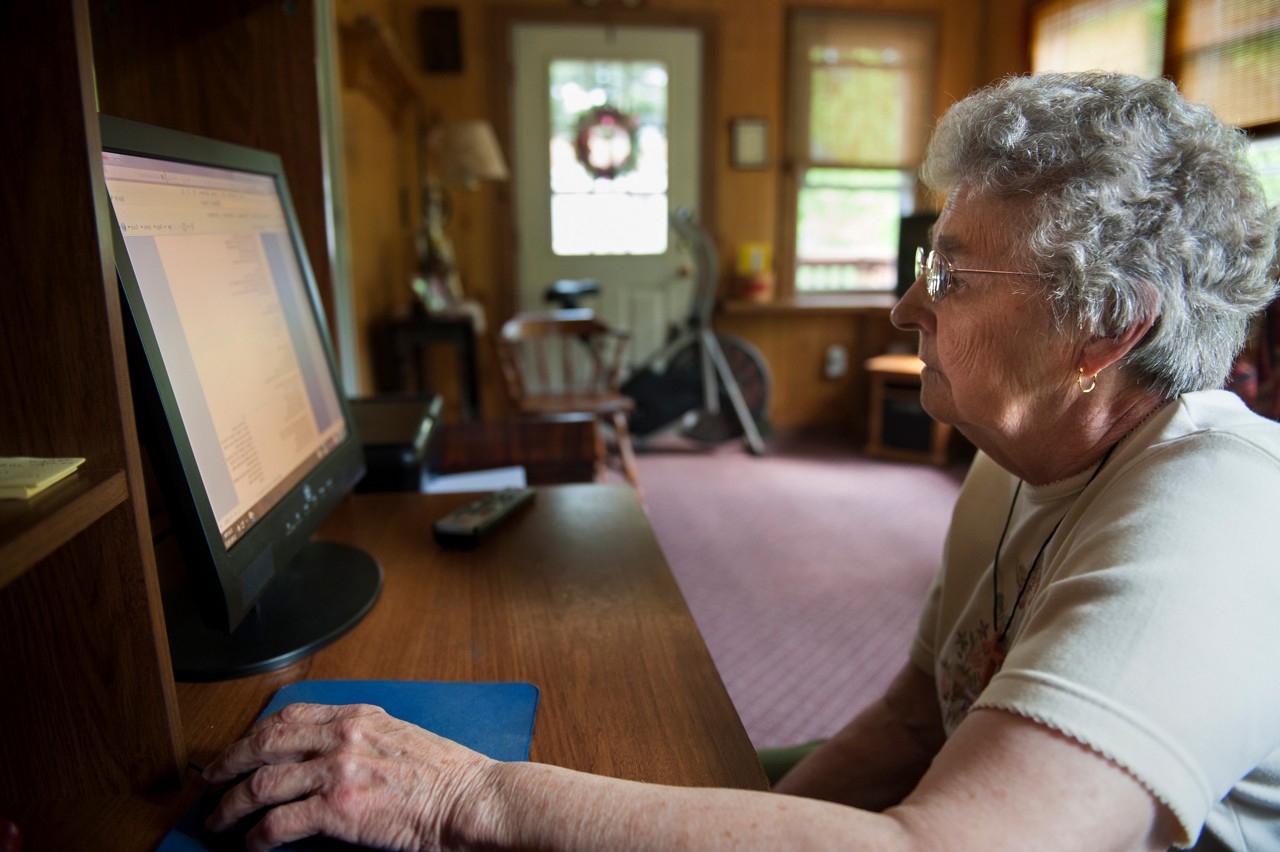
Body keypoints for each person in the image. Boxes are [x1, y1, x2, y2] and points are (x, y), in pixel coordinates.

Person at [201, 72, 1280, 851]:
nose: (906, 306)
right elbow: (916, 719)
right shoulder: (1014, 454)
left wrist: (465, 801)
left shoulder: (1215, 520)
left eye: (949, 277)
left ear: (1103, 329)